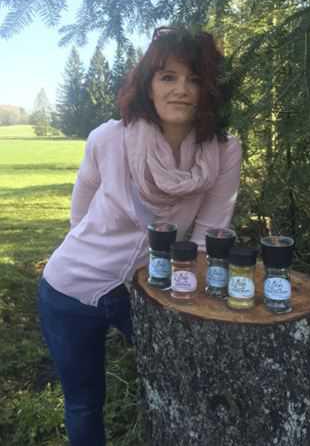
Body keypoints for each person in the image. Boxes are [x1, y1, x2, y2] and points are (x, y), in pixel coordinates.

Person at [38, 26, 242, 446]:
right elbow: (79, 216)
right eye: (168, 77)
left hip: (149, 290)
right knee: (83, 403)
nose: (182, 90)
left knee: (181, 386)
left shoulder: (223, 150)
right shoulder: (108, 138)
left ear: (209, 90)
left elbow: (207, 238)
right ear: (149, 84)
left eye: (195, 79)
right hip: (69, 288)